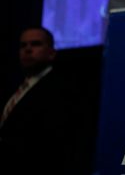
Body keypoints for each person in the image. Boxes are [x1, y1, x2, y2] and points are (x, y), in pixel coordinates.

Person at [0, 27, 80, 172]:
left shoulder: (62, 89)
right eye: (23, 45)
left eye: (36, 44)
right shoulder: (17, 87)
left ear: (51, 53)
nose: (28, 49)